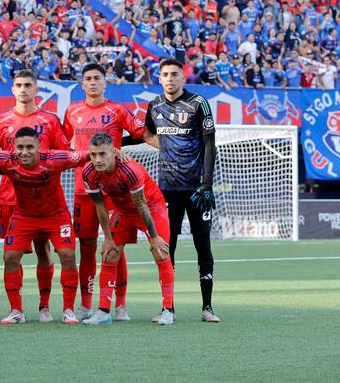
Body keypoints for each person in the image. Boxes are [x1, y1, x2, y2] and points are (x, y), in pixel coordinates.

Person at [61, 63, 152, 321]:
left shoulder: (117, 110)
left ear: (105, 82)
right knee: (87, 246)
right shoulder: (72, 111)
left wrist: (166, 147)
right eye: (87, 78)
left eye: (97, 78)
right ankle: (86, 304)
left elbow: (140, 132)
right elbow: (64, 142)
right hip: (84, 188)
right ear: (82, 83)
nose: (92, 82)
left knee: (115, 247)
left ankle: (120, 304)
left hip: (115, 191)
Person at [0, 69, 71, 322]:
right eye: (18, 85)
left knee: (45, 251)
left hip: (46, 199)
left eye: (27, 85)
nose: (23, 89)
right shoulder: (0, 121)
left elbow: (62, 156)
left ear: (36, 90)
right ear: (12, 90)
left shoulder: (50, 121)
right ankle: (16, 310)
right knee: (13, 255)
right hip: (11, 199)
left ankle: (44, 308)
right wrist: (15, 171)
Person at [0, 127, 88, 325]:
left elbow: (87, 155)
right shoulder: (7, 159)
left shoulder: (55, 159)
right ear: (14, 148)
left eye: (30, 147)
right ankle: (16, 311)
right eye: (20, 147)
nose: (24, 151)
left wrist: (115, 152)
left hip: (56, 216)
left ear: (40, 147)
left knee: (68, 255)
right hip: (24, 216)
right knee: (10, 257)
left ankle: (67, 310)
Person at [143, 59, 220, 323]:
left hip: (197, 189)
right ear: (160, 78)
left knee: (203, 244)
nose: (170, 78)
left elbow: (210, 144)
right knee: (168, 247)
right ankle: (169, 308)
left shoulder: (198, 103)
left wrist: (207, 183)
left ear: (182, 77)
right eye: (165, 74)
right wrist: (164, 147)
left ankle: (207, 307)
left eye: (174, 74)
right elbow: (146, 134)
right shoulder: (154, 106)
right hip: (166, 190)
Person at [81, 132, 175, 325]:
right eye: (93, 154)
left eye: (102, 154)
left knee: (161, 252)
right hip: (122, 211)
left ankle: (168, 310)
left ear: (114, 153)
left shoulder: (129, 170)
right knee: (109, 254)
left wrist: (155, 237)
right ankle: (103, 311)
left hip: (151, 207)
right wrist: (107, 238)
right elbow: (100, 206)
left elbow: (141, 205)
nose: (97, 160)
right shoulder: (89, 173)